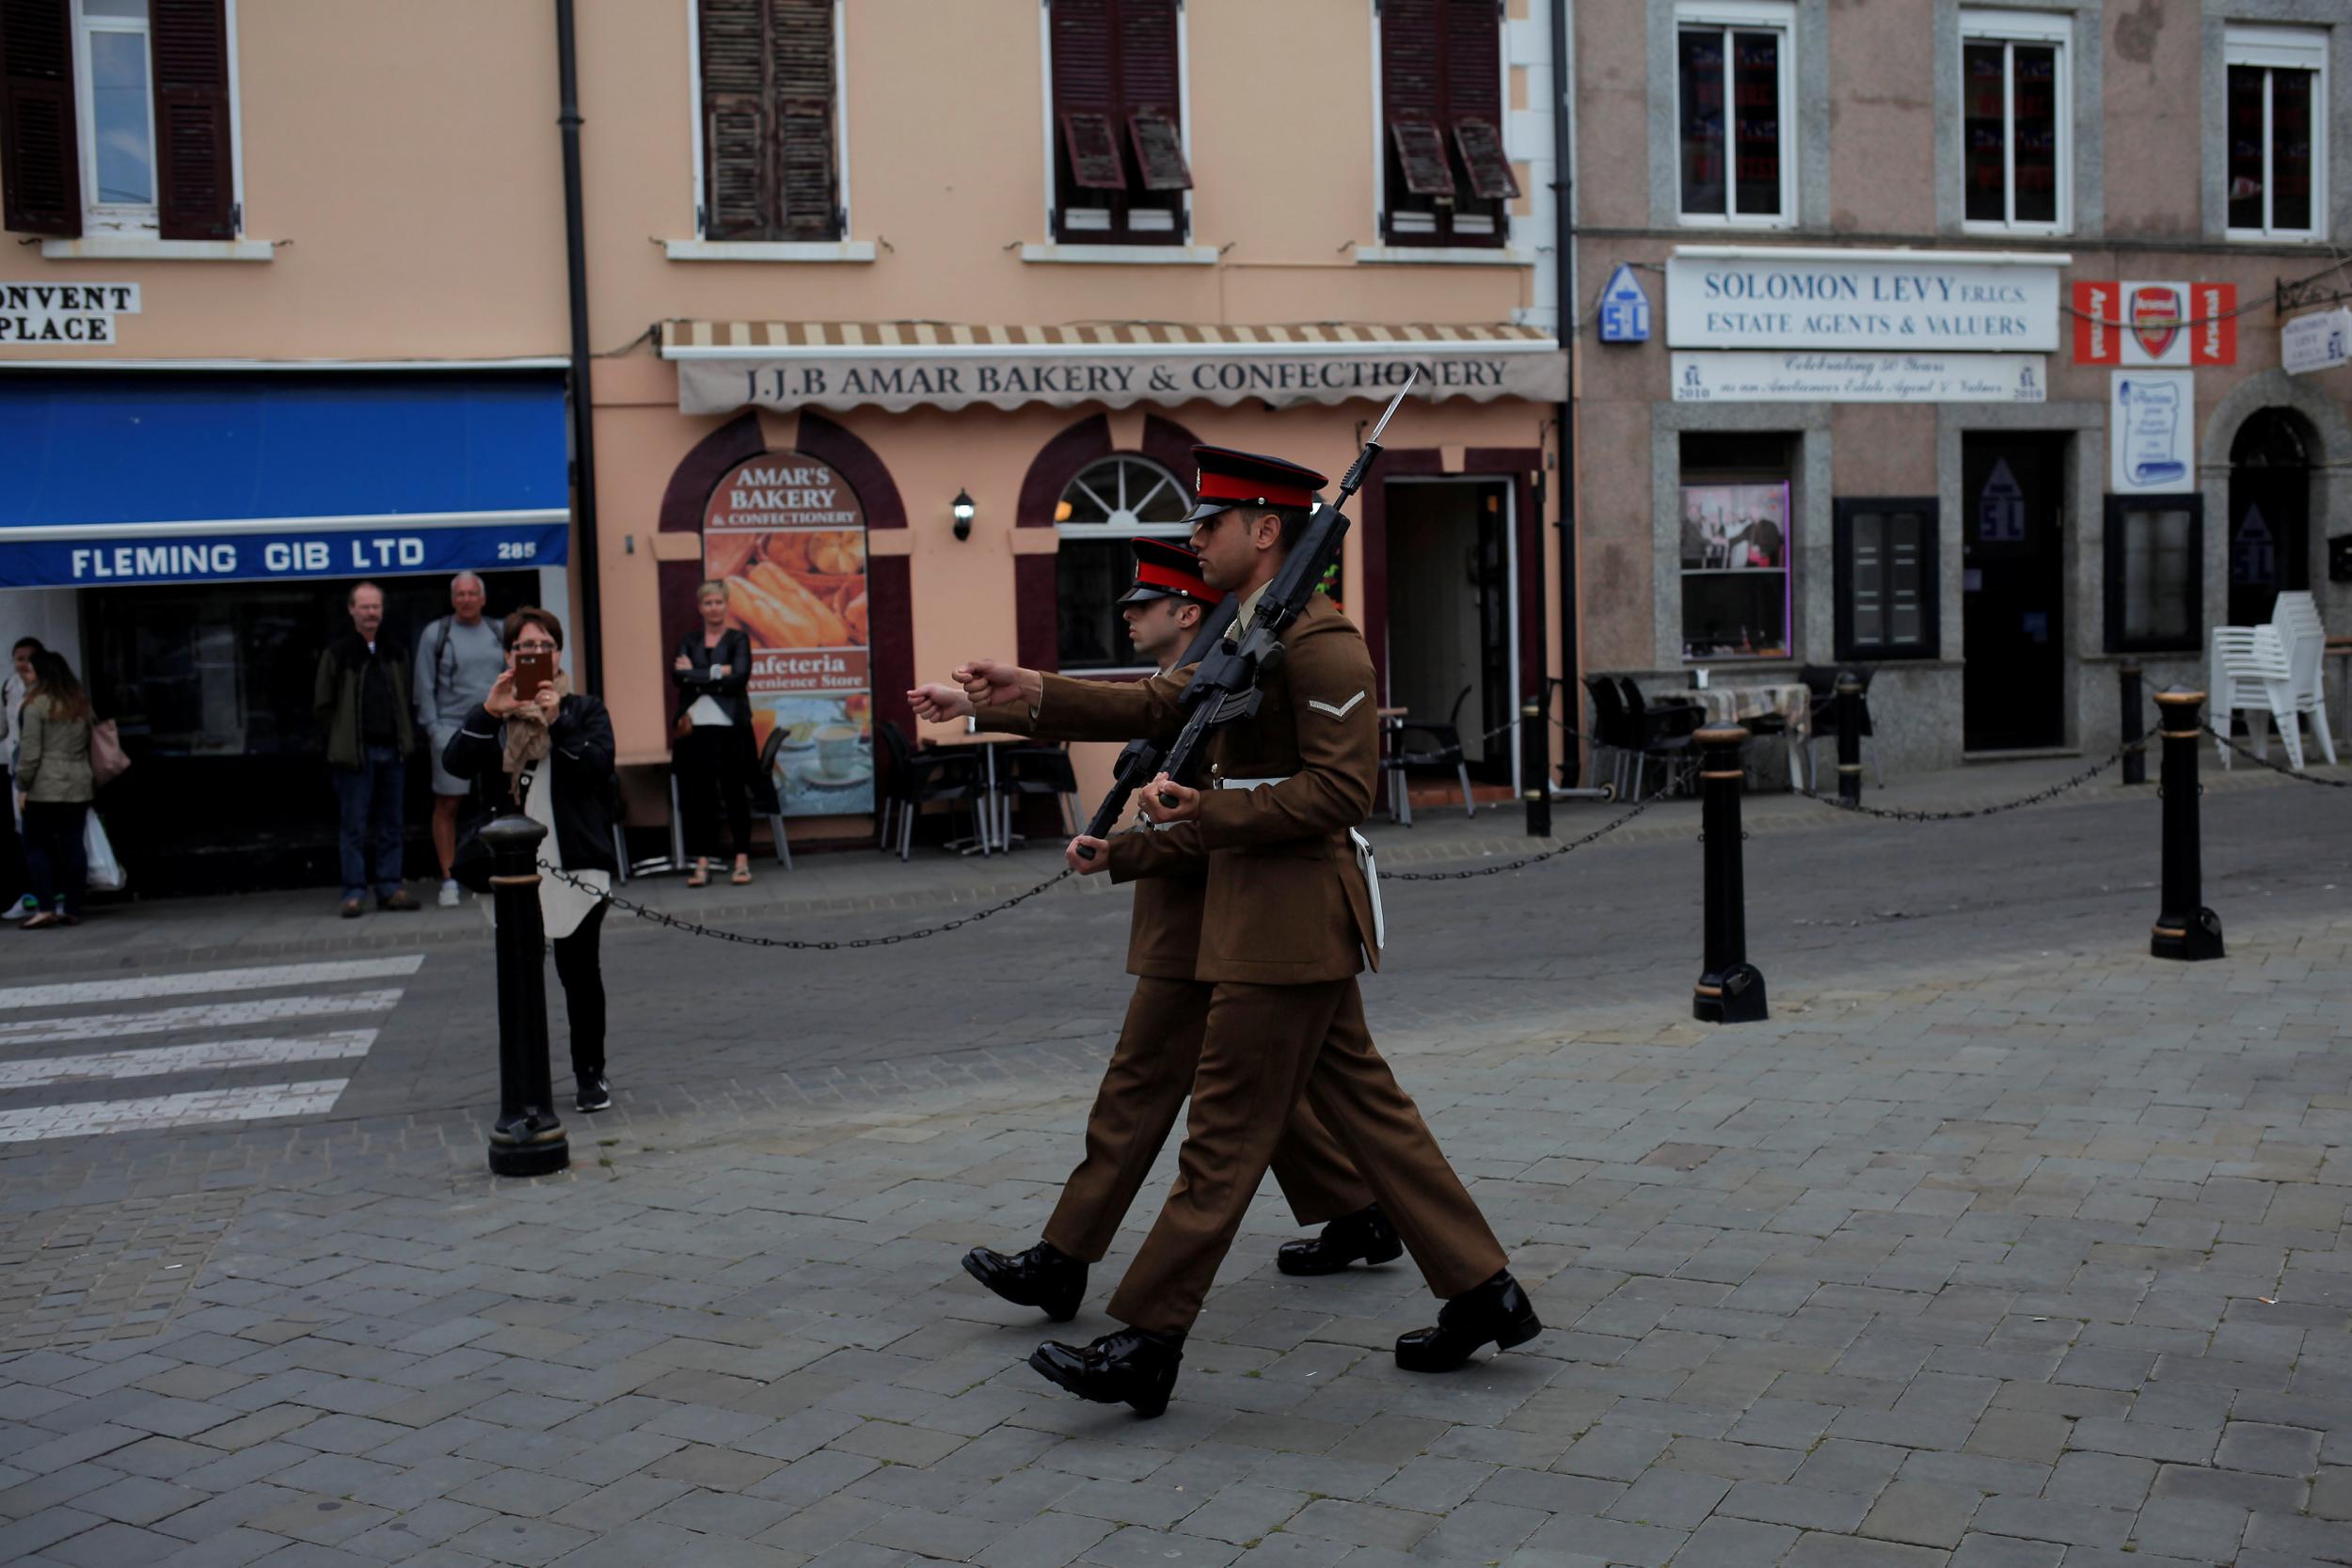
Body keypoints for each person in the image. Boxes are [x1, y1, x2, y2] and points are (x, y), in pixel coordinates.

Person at [928, 445, 1539, 1417]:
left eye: (1208, 524)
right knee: (1376, 1119)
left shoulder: (1321, 643)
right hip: (1260, 920)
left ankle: (1149, 1338)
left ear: (1265, 529)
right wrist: (1021, 693)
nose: (1194, 539)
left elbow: (1343, 792)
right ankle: (1483, 1289)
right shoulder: (1251, 632)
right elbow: (1151, 699)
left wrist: (1200, 817)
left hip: (1286, 923)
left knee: (1220, 1139)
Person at [914, 539, 1396, 1327]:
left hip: (1237, 900)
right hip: (1202, 902)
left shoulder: (1267, 657)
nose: (1131, 617)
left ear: (1186, 612)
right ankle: (1366, 1218)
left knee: (1217, 1091)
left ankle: (1096, 1277)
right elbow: (1127, 704)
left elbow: (1304, 788)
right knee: (1259, 1082)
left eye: (1146, 605)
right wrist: (983, 705)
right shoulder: (1214, 669)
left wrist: (1134, 850)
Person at [443, 609, 620, 1114]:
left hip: (576, 864)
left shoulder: (584, 710)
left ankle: (591, 1073)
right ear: (508, 656)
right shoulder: (497, 715)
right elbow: (454, 763)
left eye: (544, 646)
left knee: (580, 973)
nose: (534, 655)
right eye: (524, 648)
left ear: (559, 653)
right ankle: (526, 1080)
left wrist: (557, 719)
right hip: (512, 869)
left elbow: (598, 765)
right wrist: (489, 711)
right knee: (519, 978)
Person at [314, 581, 418, 918]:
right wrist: (336, 745)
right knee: (354, 827)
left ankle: (390, 886)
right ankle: (354, 891)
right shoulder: (338, 653)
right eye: (365, 607)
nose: (371, 613)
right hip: (355, 756)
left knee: (392, 825)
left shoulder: (396, 651)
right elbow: (323, 706)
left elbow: (407, 698)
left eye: (376, 607)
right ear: (351, 610)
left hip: (393, 752)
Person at [415, 573, 507, 907]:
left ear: (483, 598)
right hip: (451, 728)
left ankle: (493, 870)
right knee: (448, 804)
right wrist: (433, 729)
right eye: (460, 594)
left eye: (472, 594)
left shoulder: (499, 631)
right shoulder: (435, 634)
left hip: (495, 728)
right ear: (452, 599)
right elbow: (423, 687)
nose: (467, 599)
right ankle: (449, 877)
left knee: (497, 802)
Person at [672, 579, 771, 887]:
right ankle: (702, 861)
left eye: (719, 602)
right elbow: (678, 677)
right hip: (696, 730)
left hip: (732, 729)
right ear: (699, 607)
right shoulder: (689, 640)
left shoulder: (738, 639)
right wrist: (719, 671)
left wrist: (698, 675)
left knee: (734, 794)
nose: (714, 608)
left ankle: (741, 859)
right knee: (700, 798)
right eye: (708, 603)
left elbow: (739, 678)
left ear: (727, 605)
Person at [15, 649, 95, 930]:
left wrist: (22, 783)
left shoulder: (35, 707)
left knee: (35, 846)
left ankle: (46, 907)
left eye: (33, 669)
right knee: (73, 845)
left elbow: (30, 753)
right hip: (78, 782)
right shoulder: (80, 705)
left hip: (44, 786)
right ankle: (73, 907)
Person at [0, 637, 39, 921]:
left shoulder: (49, 687)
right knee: (23, 834)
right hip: (18, 768)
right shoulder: (9, 688)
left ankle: (49, 894)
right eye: (18, 658)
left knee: (45, 835)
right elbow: (4, 728)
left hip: (45, 771)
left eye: (28, 657)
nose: (23, 663)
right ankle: (29, 894)